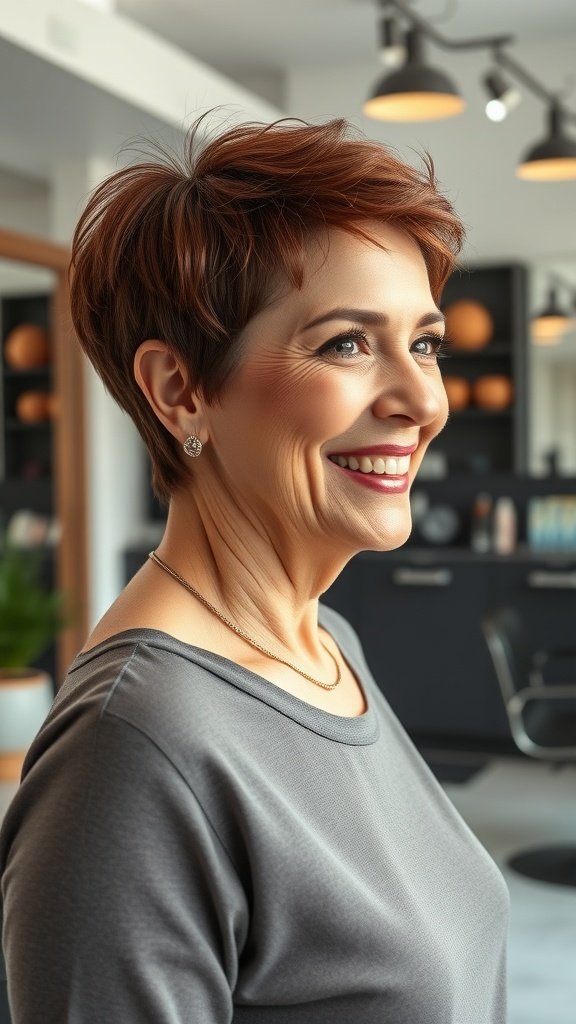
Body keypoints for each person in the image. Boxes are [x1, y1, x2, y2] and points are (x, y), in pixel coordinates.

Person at [0, 115, 509, 1023]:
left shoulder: (325, 642)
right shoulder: (135, 751)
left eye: (424, 343)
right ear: (180, 390)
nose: (422, 400)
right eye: (347, 343)